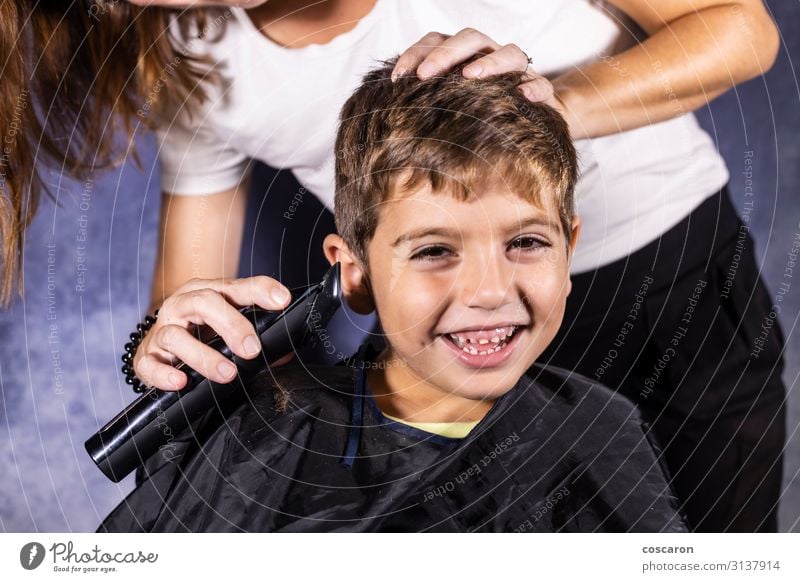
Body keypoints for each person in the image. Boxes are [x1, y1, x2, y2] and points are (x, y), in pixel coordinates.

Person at [3, 0, 782, 532]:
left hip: (676, 296)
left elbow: (742, 30)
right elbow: (196, 302)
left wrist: (549, 104)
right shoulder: (195, 61)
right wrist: (167, 340)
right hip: (452, 359)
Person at [98, 60, 686, 532]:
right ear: (354, 274)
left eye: (527, 242)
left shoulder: (603, 427)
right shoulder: (272, 435)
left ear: (570, 245)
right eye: (434, 251)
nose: (488, 291)